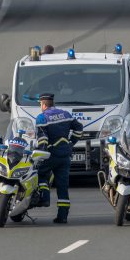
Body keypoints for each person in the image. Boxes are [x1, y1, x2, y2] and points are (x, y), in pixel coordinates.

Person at [34, 92, 84, 223]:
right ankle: (62, 216)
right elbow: (79, 128)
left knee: (40, 174)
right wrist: (71, 143)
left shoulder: (42, 118)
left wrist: (41, 154)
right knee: (63, 186)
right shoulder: (65, 114)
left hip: (51, 154)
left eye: (40, 104)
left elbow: (42, 140)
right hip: (65, 155)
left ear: (44, 104)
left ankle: (44, 198)